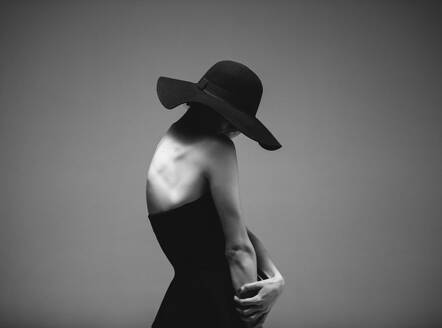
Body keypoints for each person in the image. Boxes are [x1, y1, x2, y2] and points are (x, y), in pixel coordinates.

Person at [146, 60, 285, 328]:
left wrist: (276, 277)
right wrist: (252, 323)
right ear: (223, 114)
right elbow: (237, 249)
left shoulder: (169, 141)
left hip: (182, 303)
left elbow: (221, 227)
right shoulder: (217, 148)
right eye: (238, 122)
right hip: (222, 302)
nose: (239, 133)